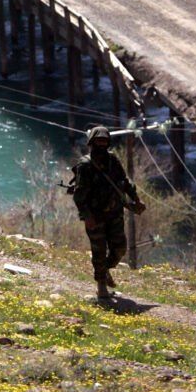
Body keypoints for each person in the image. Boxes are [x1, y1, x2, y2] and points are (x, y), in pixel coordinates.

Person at [68, 125, 146, 300]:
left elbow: (125, 182)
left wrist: (136, 198)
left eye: (105, 140)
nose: (102, 144)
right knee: (99, 251)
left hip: (115, 214)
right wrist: (87, 217)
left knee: (120, 249)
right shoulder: (85, 165)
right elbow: (79, 196)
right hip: (95, 217)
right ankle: (101, 285)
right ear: (92, 142)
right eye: (98, 140)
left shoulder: (113, 160)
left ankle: (104, 270)